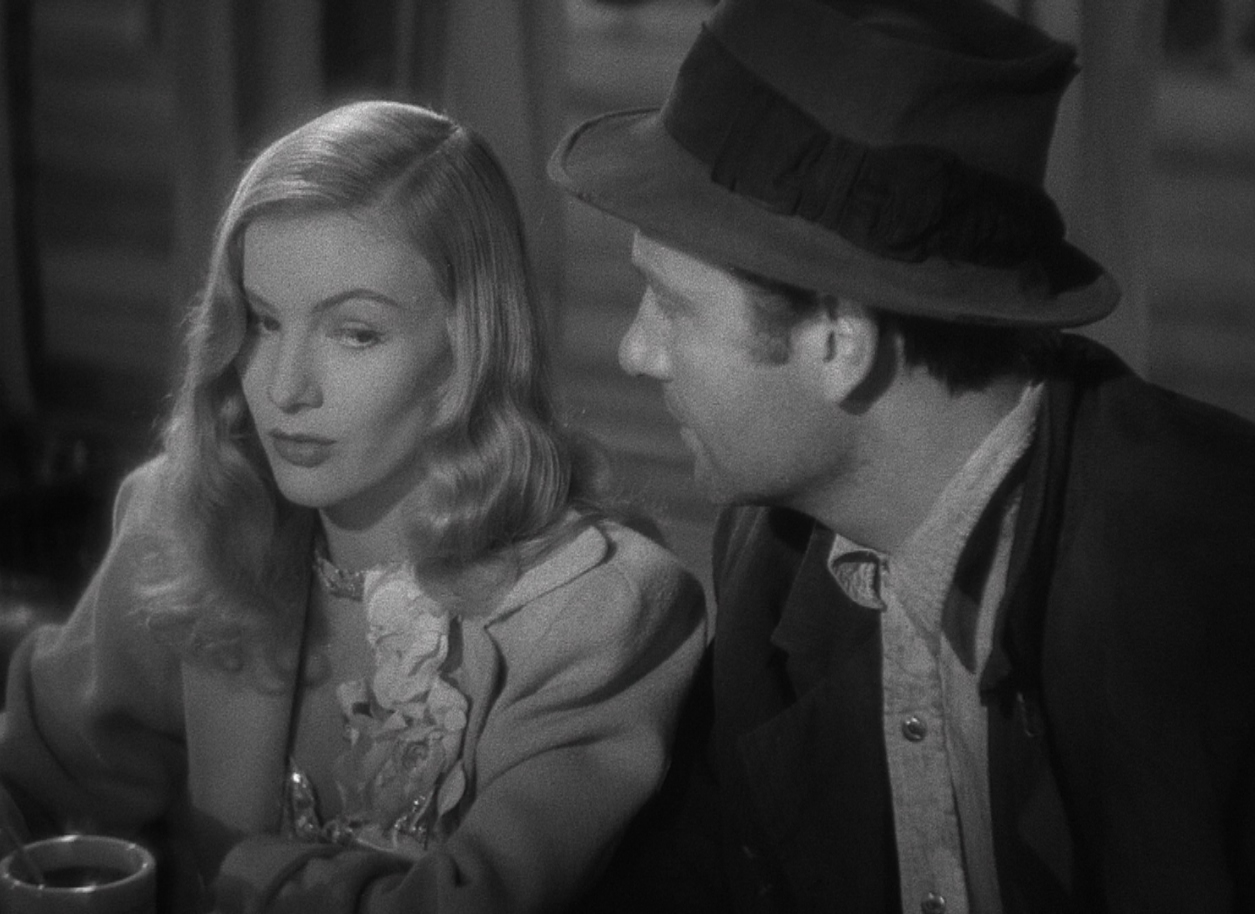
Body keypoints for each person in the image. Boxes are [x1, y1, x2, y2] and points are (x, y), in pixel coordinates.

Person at [549, 0, 1255, 911]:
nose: (634, 352)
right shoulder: (773, 556)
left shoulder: (1207, 581)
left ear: (839, 340)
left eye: (672, 305)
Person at [0, 100, 707, 913]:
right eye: (263, 322)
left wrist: (226, 871)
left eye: (356, 333)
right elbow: (38, 787)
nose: (285, 388)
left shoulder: (599, 608)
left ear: (468, 347)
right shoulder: (189, 516)